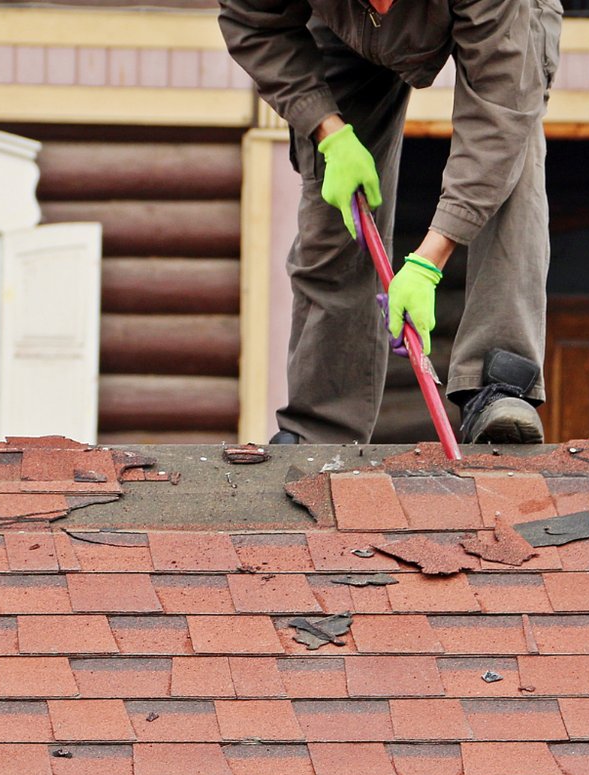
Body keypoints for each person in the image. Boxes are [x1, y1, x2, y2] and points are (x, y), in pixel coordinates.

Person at [219, 0, 562, 444]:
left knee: (511, 160)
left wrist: (428, 262)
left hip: (503, 25)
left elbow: (499, 118)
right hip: (346, 28)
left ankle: (500, 383)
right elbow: (253, 22)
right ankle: (322, 426)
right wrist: (328, 130)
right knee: (335, 206)